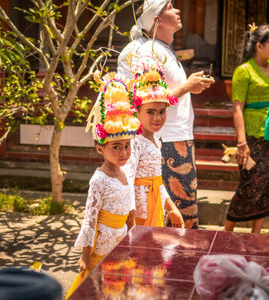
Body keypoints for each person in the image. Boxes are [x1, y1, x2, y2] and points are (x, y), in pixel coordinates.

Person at [136, 0, 215, 229]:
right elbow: (148, 101)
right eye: (170, 7)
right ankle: (174, 262)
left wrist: (190, 84)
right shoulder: (149, 52)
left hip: (177, 137)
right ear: (157, 19)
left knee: (184, 210)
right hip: (167, 140)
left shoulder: (163, 50)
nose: (178, 10)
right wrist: (187, 86)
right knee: (177, 215)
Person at [65, 74, 141, 299]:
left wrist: (132, 236)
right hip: (101, 244)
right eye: (116, 147)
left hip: (121, 242)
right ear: (100, 149)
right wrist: (86, 256)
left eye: (127, 146)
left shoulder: (126, 171)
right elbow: (90, 220)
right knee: (97, 288)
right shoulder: (98, 180)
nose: (124, 152)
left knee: (116, 288)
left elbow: (129, 210)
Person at [224, 24, 269, 234]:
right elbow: (237, 108)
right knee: (251, 184)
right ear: (260, 46)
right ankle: (227, 230)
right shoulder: (243, 71)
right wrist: (242, 143)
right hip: (253, 136)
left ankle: (257, 233)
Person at [126, 55, 184, 228]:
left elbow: (156, 182)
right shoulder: (134, 142)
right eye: (150, 112)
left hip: (155, 203)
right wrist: (129, 215)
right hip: (137, 209)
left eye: (161, 111)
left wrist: (171, 207)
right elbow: (128, 180)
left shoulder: (155, 139)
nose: (157, 118)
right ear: (137, 112)